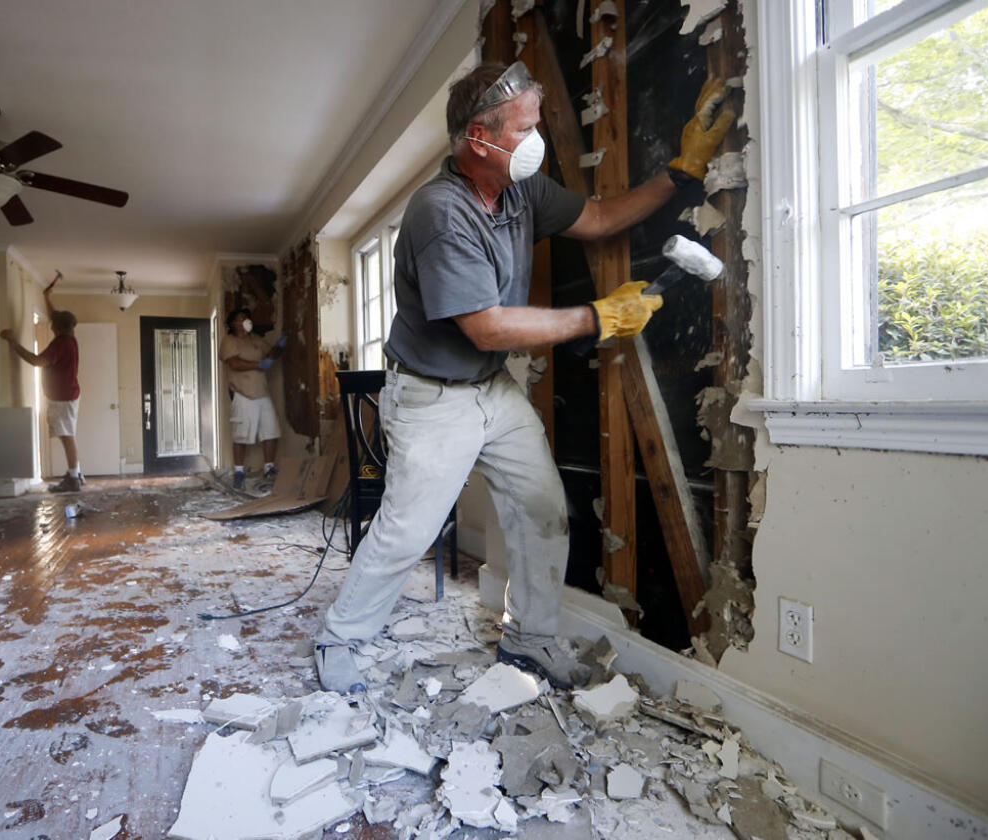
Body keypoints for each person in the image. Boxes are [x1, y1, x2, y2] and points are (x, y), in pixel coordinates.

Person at [313, 61, 733, 694]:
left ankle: (529, 638)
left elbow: (595, 218)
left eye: (538, 122)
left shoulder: (518, 187)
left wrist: (681, 173)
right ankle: (340, 638)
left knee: (541, 509)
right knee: (407, 530)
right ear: (479, 139)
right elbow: (486, 328)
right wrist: (598, 316)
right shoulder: (440, 212)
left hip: (491, 390)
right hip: (432, 396)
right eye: (524, 127)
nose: (536, 138)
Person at [0, 273, 84, 493]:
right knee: (68, 435)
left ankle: (74, 478)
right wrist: (47, 297)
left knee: (67, 436)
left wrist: (13, 342)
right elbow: (54, 315)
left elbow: (36, 361)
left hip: (63, 397)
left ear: (55, 327)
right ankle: (76, 473)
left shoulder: (59, 345)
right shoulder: (69, 337)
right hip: (67, 394)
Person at [220, 308, 286, 491]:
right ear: (234, 323)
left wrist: (279, 346)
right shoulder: (230, 341)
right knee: (241, 434)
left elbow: (270, 355)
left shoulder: (256, 340)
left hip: (262, 392)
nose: (247, 321)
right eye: (242, 318)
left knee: (271, 430)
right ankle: (239, 472)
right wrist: (258, 365)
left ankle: (269, 468)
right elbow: (233, 363)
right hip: (243, 394)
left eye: (248, 318)